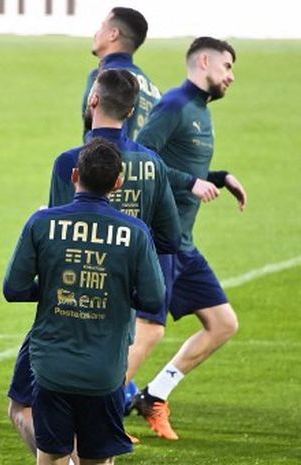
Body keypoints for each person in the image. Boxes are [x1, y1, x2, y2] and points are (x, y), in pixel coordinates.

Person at [7, 69, 181, 453]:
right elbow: (170, 238)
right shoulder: (153, 165)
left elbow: (51, 242)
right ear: (133, 110)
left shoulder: (70, 162)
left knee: (23, 406)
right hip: (114, 324)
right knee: (99, 437)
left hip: (63, 314)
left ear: (93, 100)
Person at [132, 36, 247, 440]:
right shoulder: (175, 105)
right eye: (227, 67)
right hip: (160, 240)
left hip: (183, 242)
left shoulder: (201, 109)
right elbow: (140, 155)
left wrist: (218, 177)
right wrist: (192, 182)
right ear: (204, 62)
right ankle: (101, 414)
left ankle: (154, 395)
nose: (231, 77)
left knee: (223, 323)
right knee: (148, 331)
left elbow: (180, 165)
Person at [82, 7, 160, 140]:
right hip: (142, 160)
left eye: (102, 26)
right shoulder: (154, 89)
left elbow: (94, 133)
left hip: (106, 159)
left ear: (113, 34)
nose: (96, 33)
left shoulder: (104, 78)